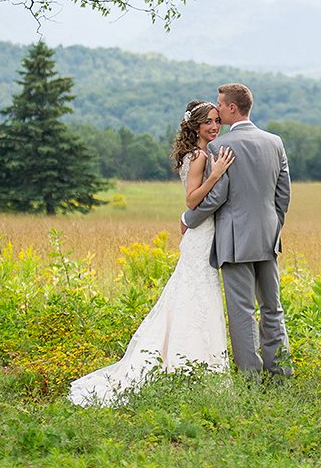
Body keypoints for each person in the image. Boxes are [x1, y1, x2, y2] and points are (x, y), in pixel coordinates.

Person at [68, 100, 235, 407]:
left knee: (193, 297)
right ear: (196, 126)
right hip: (201, 236)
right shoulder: (198, 156)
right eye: (209, 122)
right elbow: (191, 200)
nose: (215, 126)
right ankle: (193, 367)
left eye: (217, 121)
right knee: (197, 295)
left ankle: (193, 364)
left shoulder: (197, 153)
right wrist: (216, 175)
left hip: (202, 234)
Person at [181, 83, 293, 379]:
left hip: (235, 241)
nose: (217, 111)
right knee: (273, 307)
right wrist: (272, 225)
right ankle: (281, 373)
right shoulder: (275, 142)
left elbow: (217, 197)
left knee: (242, 312)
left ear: (232, 108)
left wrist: (188, 219)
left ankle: (251, 378)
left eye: (220, 105)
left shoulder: (220, 148)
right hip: (268, 238)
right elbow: (283, 196)